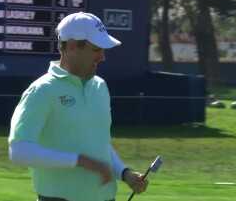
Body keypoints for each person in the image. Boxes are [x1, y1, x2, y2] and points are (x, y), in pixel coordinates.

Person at [8, 12, 149, 201]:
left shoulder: (100, 87)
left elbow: (100, 144)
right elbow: (19, 151)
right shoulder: (42, 90)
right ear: (73, 46)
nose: (103, 57)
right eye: (97, 49)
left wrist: (125, 173)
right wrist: (79, 161)